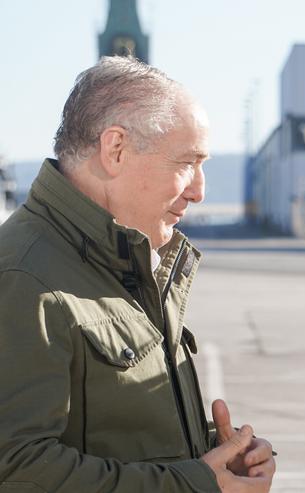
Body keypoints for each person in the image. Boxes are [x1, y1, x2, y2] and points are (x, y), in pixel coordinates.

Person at [0, 57, 275, 492]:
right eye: (188, 162)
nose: (200, 190)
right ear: (116, 150)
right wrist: (195, 483)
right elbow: (16, 469)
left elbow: (116, 431)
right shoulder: (23, 275)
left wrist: (215, 456)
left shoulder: (124, 257)